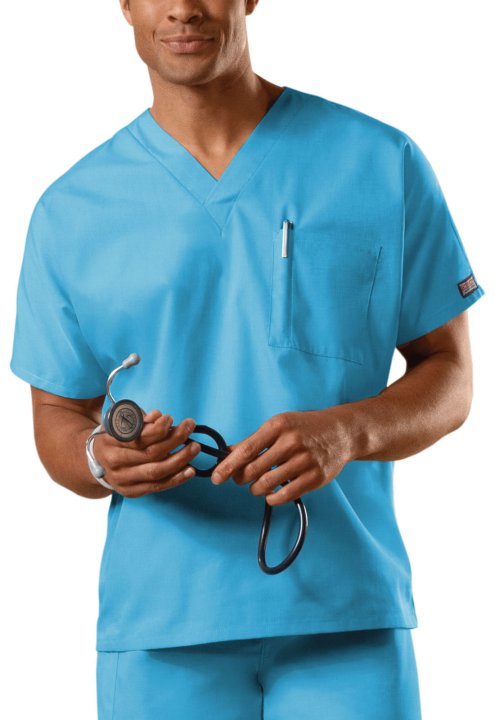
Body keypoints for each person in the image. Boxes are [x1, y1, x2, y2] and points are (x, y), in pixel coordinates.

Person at [9, 1, 485, 718]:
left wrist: (347, 431)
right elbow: (55, 412)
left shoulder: (379, 162)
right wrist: (100, 459)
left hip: (345, 617)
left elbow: (449, 373)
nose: (182, 9)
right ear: (124, 4)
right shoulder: (71, 210)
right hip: (163, 626)